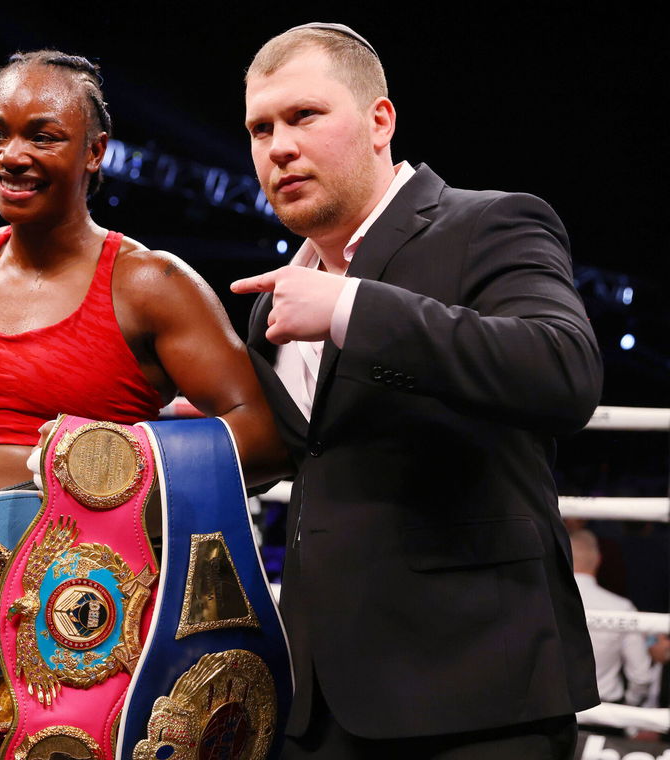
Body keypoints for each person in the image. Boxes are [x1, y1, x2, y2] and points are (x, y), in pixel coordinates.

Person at [0, 49, 285, 759]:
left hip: (88, 646)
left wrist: (116, 467)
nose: (12, 154)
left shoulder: (150, 284)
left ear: (97, 152)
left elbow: (264, 431)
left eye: (43, 135)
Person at [232, 22, 602, 759]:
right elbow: (312, 455)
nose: (278, 146)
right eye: (260, 127)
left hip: (478, 698)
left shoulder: (491, 221)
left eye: (304, 116)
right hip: (323, 705)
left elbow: (564, 370)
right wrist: (211, 441)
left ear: (379, 121)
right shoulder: (273, 303)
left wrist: (349, 309)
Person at [571, 529, 655, 706]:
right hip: (607, 710)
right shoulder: (622, 608)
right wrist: (628, 708)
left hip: (553, 713)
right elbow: (641, 676)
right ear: (598, 560)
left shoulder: (542, 604)